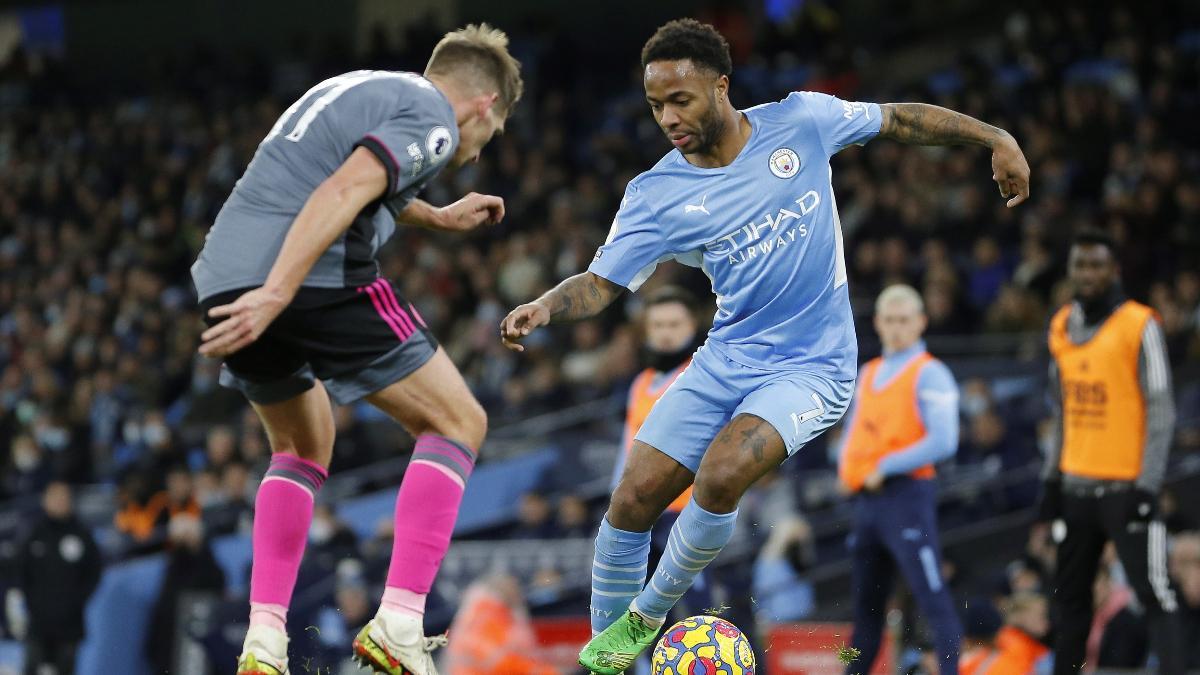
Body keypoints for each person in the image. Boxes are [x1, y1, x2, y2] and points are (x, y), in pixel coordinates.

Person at [499, 19, 1029, 672]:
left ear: (722, 86)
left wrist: (994, 137)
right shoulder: (656, 193)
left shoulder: (800, 121)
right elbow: (602, 282)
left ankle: (648, 612)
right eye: (655, 104)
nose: (667, 116)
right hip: (727, 357)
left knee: (720, 473)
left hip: (813, 370)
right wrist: (546, 305)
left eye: (680, 100)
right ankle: (610, 658)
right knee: (632, 497)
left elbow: (897, 118)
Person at [189, 24, 523, 675]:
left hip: (225, 274)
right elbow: (342, 191)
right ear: (484, 104)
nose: (477, 152)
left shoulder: (366, 89)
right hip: (301, 274)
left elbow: (344, 173)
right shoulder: (437, 117)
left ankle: (264, 640)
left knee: (300, 447)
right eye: (493, 132)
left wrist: (438, 214)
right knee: (459, 421)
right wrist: (280, 289)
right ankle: (400, 621)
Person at [1035, 229, 1181, 674]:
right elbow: (1063, 412)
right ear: (1070, 271)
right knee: (1070, 604)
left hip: (1125, 487)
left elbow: (1162, 410)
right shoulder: (1061, 325)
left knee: (1156, 594)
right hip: (1076, 487)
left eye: (1097, 265)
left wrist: (1147, 485)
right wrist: (1051, 480)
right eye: (1080, 264)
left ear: (1114, 270)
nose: (1088, 273)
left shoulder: (1140, 323)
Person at [838, 285, 962, 675]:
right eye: (889, 320)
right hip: (870, 502)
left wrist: (885, 466)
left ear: (921, 322)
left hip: (907, 496)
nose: (896, 328)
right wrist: (849, 473)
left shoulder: (930, 372)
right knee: (865, 615)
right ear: (877, 322)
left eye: (904, 320)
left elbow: (944, 441)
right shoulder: (869, 372)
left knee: (933, 601)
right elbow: (852, 436)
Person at [7, 482, 101, 675]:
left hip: (70, 622)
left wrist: (77, 600)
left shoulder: (82, 534)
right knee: (31, 667)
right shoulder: (34, 533)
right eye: (55, 498)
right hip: (39, 621)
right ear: (45, 501)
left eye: (64, 498)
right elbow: (20, 569)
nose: (59, 502)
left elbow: (94, 572)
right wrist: (30, 600)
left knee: (66, 669)